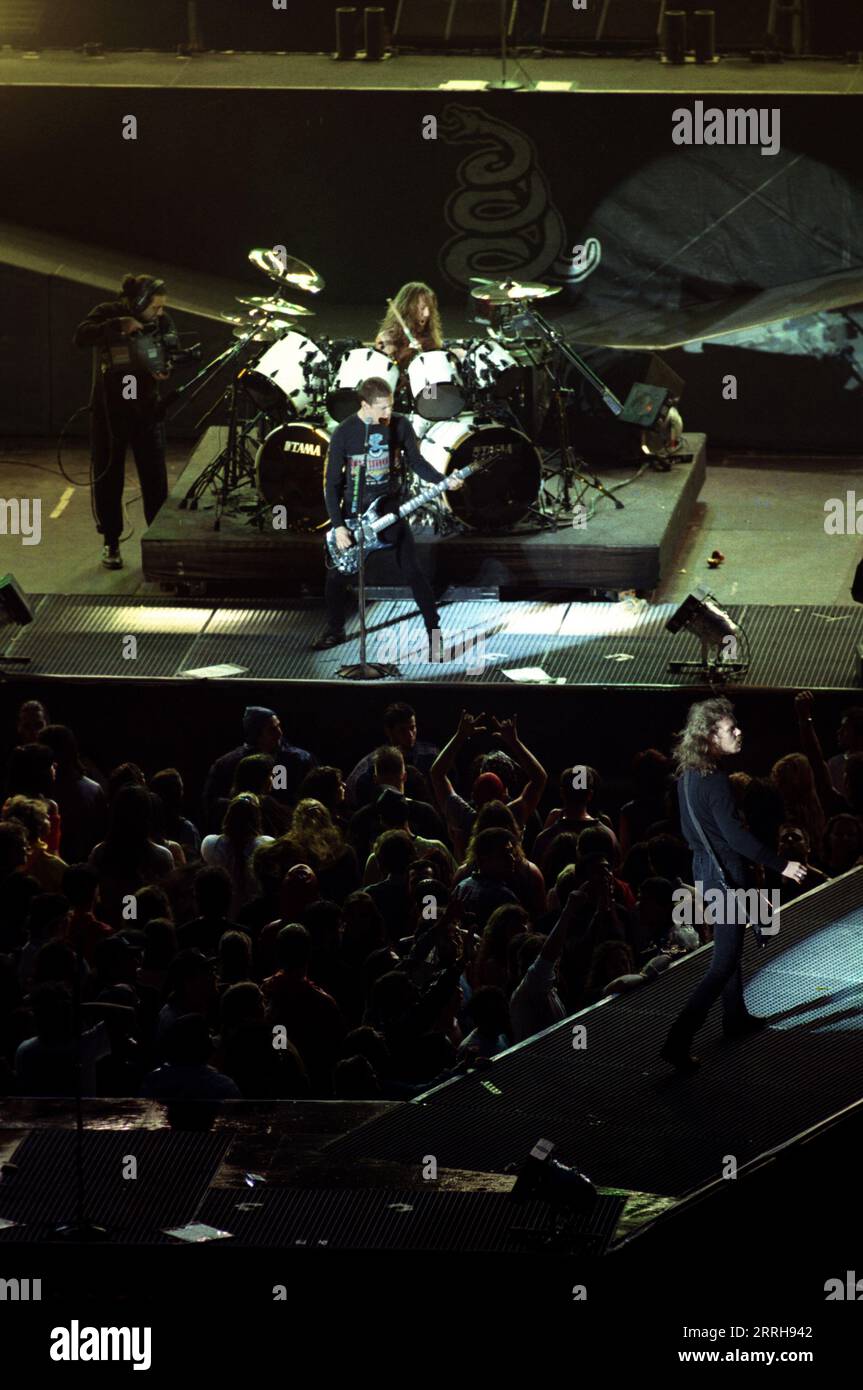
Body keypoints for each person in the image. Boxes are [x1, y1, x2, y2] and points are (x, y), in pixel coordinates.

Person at [660, 699, 807, 1072]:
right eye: (730, 729)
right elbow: (737, 840)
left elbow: (689, 832)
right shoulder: (716, 783)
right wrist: (782, 865)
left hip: (705, 873)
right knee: (722, 962)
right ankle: (678, 1040)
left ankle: (735, 1015)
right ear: (710, 736)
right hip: (725, 876)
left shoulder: (687, 778)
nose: (738, 732)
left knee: (729, 950)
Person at [311, 376, 463, 654]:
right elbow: (331, 483)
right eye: (381, 409)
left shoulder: (399, 425)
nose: (387, 414)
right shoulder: (345, 433)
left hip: (388, 510)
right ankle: (334, 631)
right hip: (354, 514)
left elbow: (417, 462)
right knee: (335, 579)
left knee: (413, 572)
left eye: (390, 407)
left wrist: (443, 480)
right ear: (364, 405)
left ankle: (434, 634)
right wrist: (339, 526)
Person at [73, 273, 177, 569]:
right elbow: (81, 335)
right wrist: (118, 326)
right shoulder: (108, 313)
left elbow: (170, 347)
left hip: (146, 410)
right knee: (108, 478)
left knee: (155, 480)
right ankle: (111, 542)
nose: (160, 312)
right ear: (139, 301)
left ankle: (158, 546)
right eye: (155, 307)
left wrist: (165, 365)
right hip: (109, 411)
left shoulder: (162, 321)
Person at [430, 712, 547, 862]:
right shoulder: (513, 815)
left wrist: (460, 736)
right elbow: (539, 778)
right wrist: (514, 741)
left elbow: (437, 774)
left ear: (472, 796)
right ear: (504, 795)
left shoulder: (464, 818)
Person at [202, 706, 315, 831]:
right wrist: (247, 805)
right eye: (272, 729)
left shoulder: (298, 760)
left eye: (278, 726)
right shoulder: (228, 764)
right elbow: (212, 803)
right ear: (256, 734)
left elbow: (313, 799)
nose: (280, 733)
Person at [345, 703, 438, 809]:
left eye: (412, 728)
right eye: (402, 730)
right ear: (389, 731)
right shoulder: (370, 769)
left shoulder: (431, 756)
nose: (410, 735)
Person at [200, 795, 274, 919]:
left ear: (228, 816)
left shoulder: (211, 844)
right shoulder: (265, 846)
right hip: (254, 915)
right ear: (257, 819)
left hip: (218, 912)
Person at [375, 281, 444, 367]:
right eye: (422, 308)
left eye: (430, 309)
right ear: (407, 309)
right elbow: (387, 371)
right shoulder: (387, 338)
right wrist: (408, 354)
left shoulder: (429, 339)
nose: (427, 314)